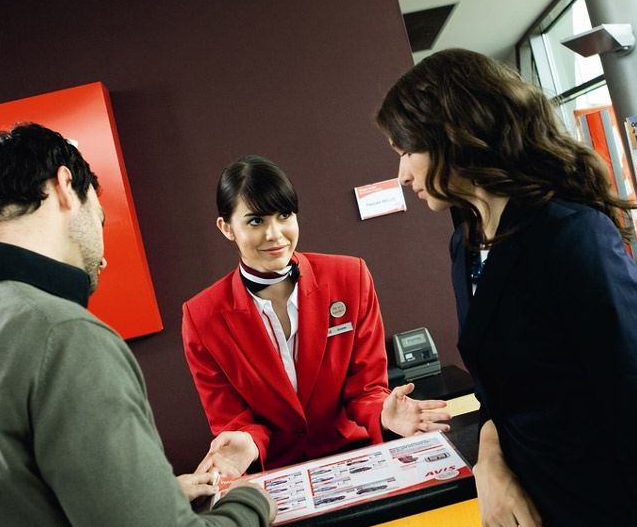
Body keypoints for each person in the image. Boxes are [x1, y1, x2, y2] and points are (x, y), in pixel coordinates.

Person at [376, 49, 637, 527]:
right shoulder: (466, 243)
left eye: (407, 150)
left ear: (454, 134)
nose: (401, 173)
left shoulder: (573, 237)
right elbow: (504, 398)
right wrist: (489, 467)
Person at [0, 123, 274, 527]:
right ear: (66, 186)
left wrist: (154, 501)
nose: (104, 256)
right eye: (100, 218)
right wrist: (249, 504)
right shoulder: (62, 334)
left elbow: (22, 519)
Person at [182, 155, 450, 476]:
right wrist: (247, 442)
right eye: (256, 221)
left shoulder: (350, 277)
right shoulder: (202, 317)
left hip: (355, 457)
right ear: (226, 228)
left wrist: (384, 414)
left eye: (284, 215)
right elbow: (233, 420)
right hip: (279, 474)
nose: (275, 234)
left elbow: (365, 390)